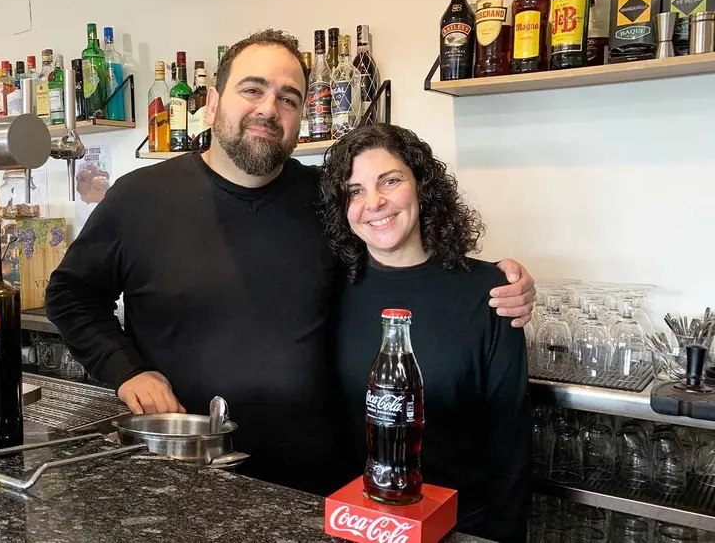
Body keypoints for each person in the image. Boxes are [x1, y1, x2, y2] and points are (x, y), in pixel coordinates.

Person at [45, 29, 535, 496]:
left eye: (289, 98)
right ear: (211, 102)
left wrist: (492, 281)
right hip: (179, 465)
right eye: (252, 89)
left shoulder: (326, 199)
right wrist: (126, 370)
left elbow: (400, 255)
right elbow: (71, 295)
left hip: (311, 481)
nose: (268, 109)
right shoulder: (139, 197)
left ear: (301, 118)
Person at [320, 124, 530, 541]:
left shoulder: (490, 293)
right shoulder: (326, 291)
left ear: (422, 186)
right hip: (352, 522)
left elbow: (511, 445)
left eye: (390, 181)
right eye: (355, 190)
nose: (374, 202)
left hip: (459, 527)